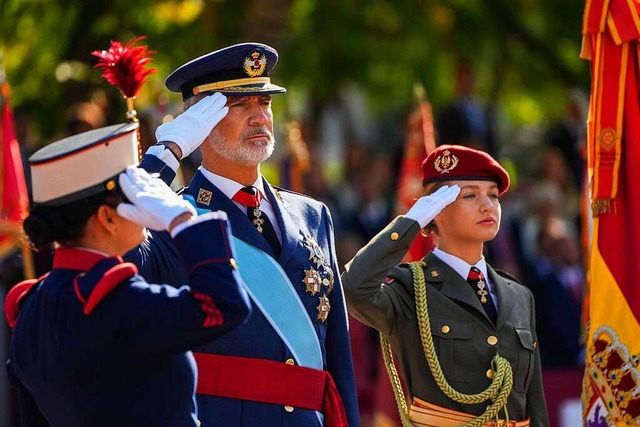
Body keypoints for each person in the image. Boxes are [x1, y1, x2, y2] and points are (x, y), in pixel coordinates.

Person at [129, 43, 359, 426]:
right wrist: (167, 153)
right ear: (198, 122)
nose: (259, 118)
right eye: (239, 106)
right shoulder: (166, 216)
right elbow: (115, 243)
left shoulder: (312, 215)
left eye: (264, 103)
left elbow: (337, 356)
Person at [4, 123, 251, 427]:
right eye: (136, 197)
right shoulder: (119, 302)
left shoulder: (30, 307)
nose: (146, 204)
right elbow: (225, 305)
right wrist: (184, 222)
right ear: (108, 218)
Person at [342, 144, 548, 426]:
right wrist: (412, 221)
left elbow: (534, 406)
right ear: (436, 210)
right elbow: (354, 289)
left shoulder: (518, 294)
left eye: (492, 195)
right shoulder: (410, 287)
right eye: (470, 195)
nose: (488, 205)